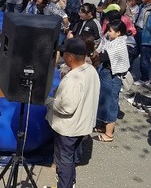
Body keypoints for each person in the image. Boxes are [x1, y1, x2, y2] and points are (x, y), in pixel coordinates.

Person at [46, 38, 100, 188]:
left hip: (69, 128)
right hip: (82, 124)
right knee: (70, 158)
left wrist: (48, 101)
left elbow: (66, 108)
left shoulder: (74, 78)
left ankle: (65, 185)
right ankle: (71, 182)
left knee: (64, 162)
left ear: (69, 57)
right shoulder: (90, 70)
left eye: (64, 54)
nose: (62, 56)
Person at [95, 20, 130, 142]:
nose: (108, 33)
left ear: (119, 33)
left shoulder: (119, 44)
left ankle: (109, 134)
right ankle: (103, 125)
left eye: (110, 31)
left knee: (110, 104)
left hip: (112, 76)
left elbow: (102, 57)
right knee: (103, 100)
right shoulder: (113, 41)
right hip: (106, 72)